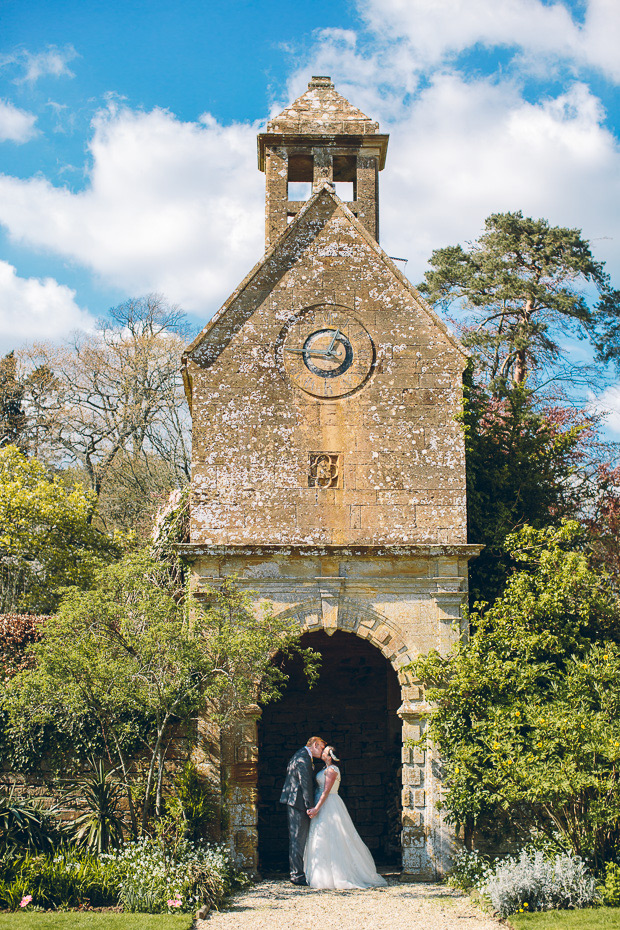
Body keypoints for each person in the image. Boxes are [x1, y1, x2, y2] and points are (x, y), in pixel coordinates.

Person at [304, 745, 387, 889]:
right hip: (322, 803)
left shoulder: (332, 770)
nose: (322, 751)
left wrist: (316, 808)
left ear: (329, 756)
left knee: (334, 837)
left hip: (329, 804)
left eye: (325, 751)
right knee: (321, 836)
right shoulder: (325, 769)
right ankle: (321, 874)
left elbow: (326, 791)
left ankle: (338, 875)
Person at [280, 736, 326, 885]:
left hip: (295, 801)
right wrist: (310, 806)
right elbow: (305, 784)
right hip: (297, 802)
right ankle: (297, 875)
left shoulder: (301, 755)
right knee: (298, 838)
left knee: (297, 838)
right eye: (321, 748)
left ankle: (298, 872)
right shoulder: (303, 758)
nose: (322, 751)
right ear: (314, 745)